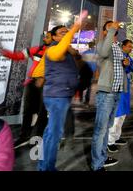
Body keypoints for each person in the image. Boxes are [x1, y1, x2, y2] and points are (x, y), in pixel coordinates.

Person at [38, 11, 87, 171]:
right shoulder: (53, 49)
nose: (66, 35)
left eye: (67, 33)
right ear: (53, 37)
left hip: (61, 95)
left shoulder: (66, 52)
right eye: (62, 33)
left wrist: (76, 54)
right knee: (54, 134)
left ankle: (43, 166)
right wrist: (74, 28)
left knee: (50, 132)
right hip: (57, 97)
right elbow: (58, 52)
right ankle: (47, 168)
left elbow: (76, 67)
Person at [0, 31, 52, 148]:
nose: (45, 38)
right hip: (32, 82)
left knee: (42, 112)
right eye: (45, 36)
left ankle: (38, 137)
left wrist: (45, 78)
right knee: (27, 110)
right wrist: (2, 51)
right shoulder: (37, 49)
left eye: (48, 37)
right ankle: (24, 136)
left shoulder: (57, 51)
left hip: (46, 84)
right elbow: (18, 56)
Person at [91, 20, 124, 171]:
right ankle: (97, 164)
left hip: (116, 91)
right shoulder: (102, 44)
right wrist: (111, 30)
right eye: (109, 27)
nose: (113, 28)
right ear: (105, 31)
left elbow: (118, 66)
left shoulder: (117, 46)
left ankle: (102, 157)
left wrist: (126, 62)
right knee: (101, 129)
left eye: (114, 27)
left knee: (107, 127)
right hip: (106, 92)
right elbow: (104, 53)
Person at [107, 39, 133, 152]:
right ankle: (109, 142)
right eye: (129, 46)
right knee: (116, 116)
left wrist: (128, 64)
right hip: (118, 90)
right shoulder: (117, 56)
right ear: (123, 46)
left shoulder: (127, 57)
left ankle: (116, 138)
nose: (131, 48)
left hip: (126, 91)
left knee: (122, 117)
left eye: (131, 47)